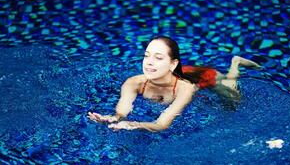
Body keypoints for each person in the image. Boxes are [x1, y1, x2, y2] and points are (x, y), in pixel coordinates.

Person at [87, 36, 261, 132]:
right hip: (176, 75)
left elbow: (162, 124)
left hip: (205, 77)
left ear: (172, 64)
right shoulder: (133, 83)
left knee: (234, 104)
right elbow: (122, 110)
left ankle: (235, 63)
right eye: (146, 56)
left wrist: (134, 125)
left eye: (158, 58)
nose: (148, 62)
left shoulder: (185, 88)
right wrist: (113, 118)